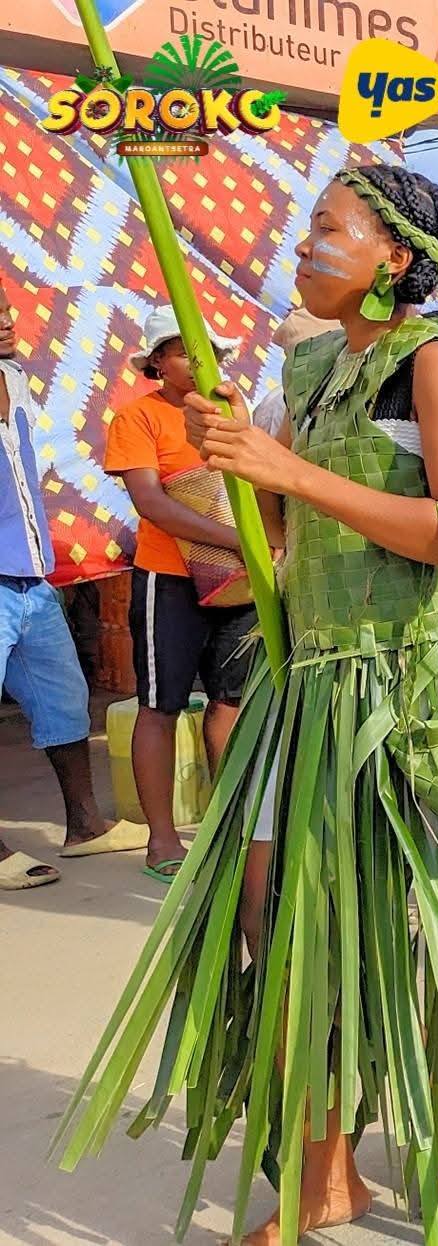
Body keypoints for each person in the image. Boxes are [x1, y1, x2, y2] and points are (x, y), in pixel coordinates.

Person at [58, 165, 438, 1245]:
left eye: (326, 227)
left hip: (414, 690)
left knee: (433, 922)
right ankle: (328, 1175)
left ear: (392, 256)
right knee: (283, 917)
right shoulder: (314, 364)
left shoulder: (435, 359)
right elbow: (293, 535)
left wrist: (287, 471)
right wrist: (245, 468)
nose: (300, 245)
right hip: (313, 688)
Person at [103, 306, 255, 884]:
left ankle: (232, 827)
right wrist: (238, 540)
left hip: (236, 579)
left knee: (230, 701)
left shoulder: (231, 411)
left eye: (208, 350)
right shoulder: (137, 417)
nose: (199, 360)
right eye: (184, 350)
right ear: (158, 364)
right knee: (160, 705)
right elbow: (152, 504)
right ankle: (162, 839)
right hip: (168, 578)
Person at [0, 276, 120, 890]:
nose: (6, 320)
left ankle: (85, 825)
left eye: (4, 309)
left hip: (29, 578)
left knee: (65, 701)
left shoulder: (15, 378)